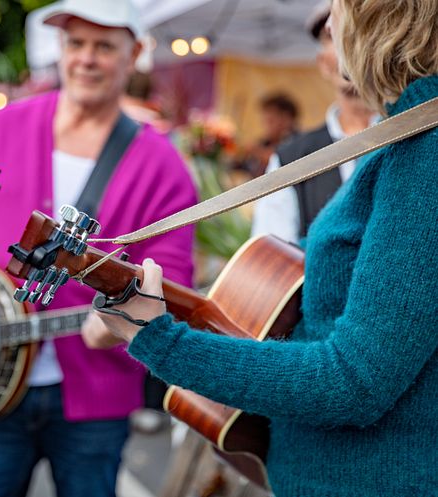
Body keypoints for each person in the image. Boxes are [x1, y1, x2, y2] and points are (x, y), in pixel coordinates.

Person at [86, 0, 438, 496]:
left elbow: (354, 381)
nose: (330, 27)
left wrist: (161, 340)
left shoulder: (425, 152)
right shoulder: (410, 136)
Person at [0, 0, 197, 495]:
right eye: (76, 43)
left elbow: (169, 280)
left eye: (104, 46)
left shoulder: (163, 165)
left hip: (96, 397)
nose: (86, 58)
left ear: (134, 55)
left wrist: (120, 325)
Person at [251, 0, 376, 243]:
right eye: (333, 35)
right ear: (322, 64)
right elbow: (272, 254)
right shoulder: (291, 158)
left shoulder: (417, 136)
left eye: (355, 31)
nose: (346, 44)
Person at [235, 93, 300, 178]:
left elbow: (280, 159)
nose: (266, 126)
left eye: (270, 121)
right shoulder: (264, 143)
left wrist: (255, 151)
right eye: (264, 121)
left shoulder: (298, 142)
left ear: (286, 118)